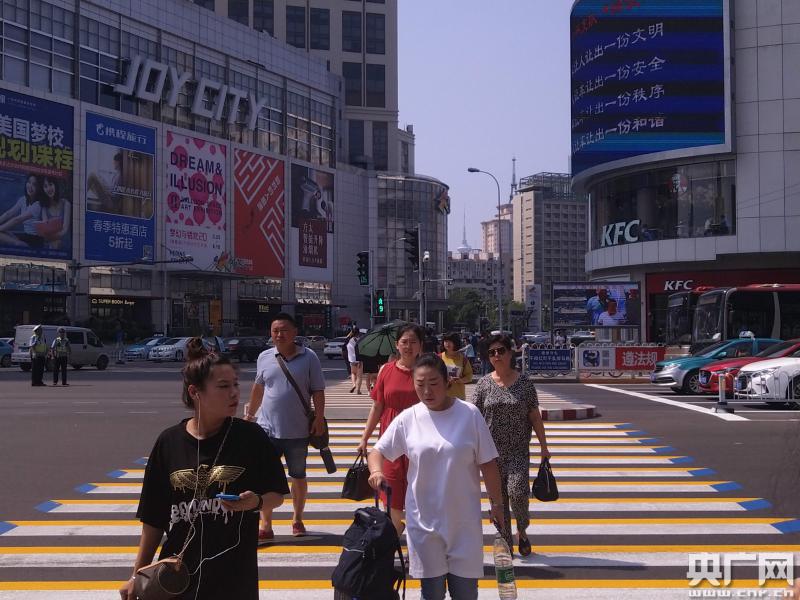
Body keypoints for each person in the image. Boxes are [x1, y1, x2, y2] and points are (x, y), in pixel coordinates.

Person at [119, 339, 289, 600]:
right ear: (195, 392)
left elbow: (277, 494)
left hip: (234, 579)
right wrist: (136, 576)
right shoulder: (169, 442)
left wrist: (255, 502)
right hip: (176, 578)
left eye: (235, 384)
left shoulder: (251, 437)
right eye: (223, 386)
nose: (234, 393)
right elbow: (153, 518)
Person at [367, 353, 505, 600]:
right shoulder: (409, 418)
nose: (427, 391)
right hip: (423, 523)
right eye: (420, 384)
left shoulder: (469, 414)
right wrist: (376, 472)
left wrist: (497, 505)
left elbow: (488, 463)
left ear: (447, 382)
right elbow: (377, 452)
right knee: (431, 593)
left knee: (465, 594)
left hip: (463, 523)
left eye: (433, 383)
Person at [243, 313, 326, 541]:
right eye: (275, 331)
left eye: (284, 330)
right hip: (267, 430)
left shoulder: (309, 357)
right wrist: (249, 416)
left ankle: (297, 518)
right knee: (264, 478)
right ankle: (266, 524)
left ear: (295, 332)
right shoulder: (264, 357)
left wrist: (319, 418)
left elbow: (318, 390)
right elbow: (259, 388)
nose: (279, 334)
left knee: (298, 476)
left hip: (298, 431)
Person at [472, 333, 551, 557]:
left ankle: (522, 530)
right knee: (498, 499)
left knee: (517, 492)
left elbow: (535, 416)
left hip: (518, 450)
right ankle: (505, 539)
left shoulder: (524, 384)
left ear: (510, 353)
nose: (496, 356)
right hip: (491, 453)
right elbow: (473, 416)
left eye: (501, 351)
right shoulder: (483, 384)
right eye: (492, 352)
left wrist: (544, 447)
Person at [356, 324, 423, 534]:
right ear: (397, 345)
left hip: (419, 437)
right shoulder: (386, 369)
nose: (408, 346)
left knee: (417, 489)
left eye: (413, 342)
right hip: (391, 437)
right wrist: (364, 438)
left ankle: (416, 535)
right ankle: (396, 529)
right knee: (391, 486)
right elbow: (377, 406)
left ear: (420, 345)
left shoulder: (427, 371)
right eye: (404, 342)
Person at [0, 174, 43, 248]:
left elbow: (17, 220)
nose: (30, 186)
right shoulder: (23, 199)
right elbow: (8, 213)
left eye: (34, 184)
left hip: (35, 240)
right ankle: (19, 243)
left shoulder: (38, 205)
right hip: (25, 236)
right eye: (29, 182)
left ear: (39, 188)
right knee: (3, 232)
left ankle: (19, 244)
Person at [37, 176, 71, 250]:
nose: (49, 189)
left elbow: (65, 229)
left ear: (55, 185)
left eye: (50, 184)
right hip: (51, 244)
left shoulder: (66, 203)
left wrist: (53, 238)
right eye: (45, 186)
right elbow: (46, 229)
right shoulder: (44, 207)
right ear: (43, 189)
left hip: (65, 246)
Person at [440, 332, 473, 401]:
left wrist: (460, 380)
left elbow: (469, 376)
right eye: (445, 341)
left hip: (458, 397)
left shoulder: (463, 359)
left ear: (456, 342)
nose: (447, 344)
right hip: (442, 397)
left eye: (450, 341)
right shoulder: (439, 358)